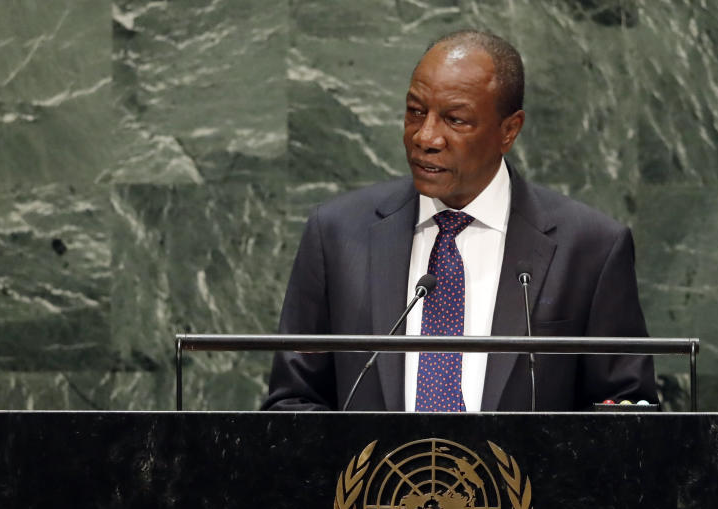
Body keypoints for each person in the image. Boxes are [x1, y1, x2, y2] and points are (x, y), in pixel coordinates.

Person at [262, 30, 657, 412]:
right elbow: (293, 403)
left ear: (509, 130)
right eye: (415, 112)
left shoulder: (590, 248)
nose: (425, 136)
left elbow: (624, 413)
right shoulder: (337, 234)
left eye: (455, 120)